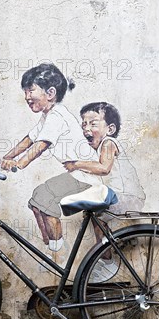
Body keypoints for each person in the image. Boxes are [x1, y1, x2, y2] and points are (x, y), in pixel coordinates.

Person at [0, 64, 99, 255]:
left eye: (31, 90)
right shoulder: (48, 116)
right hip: (77, 175)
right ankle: (49, 244)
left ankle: (58, 252)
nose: (27, 97)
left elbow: (40, 145)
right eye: (25, 91)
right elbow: (29, 140)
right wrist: (6, 157)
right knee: (36, 200)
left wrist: (18, 164)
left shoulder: (58, 116)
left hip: (86, 175)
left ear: (51, 93)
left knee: (44, 199)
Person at [63, 102, 145, 281]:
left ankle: (107, 262)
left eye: (93, 123)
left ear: (110, 128)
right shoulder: (101, 147)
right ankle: (106, 257)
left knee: (95, 210)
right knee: (97, 218)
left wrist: (76, 164)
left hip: (127, 196)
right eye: (84, 124)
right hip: (121, 195)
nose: (86, 128)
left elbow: (104, 168)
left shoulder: (108, 142)